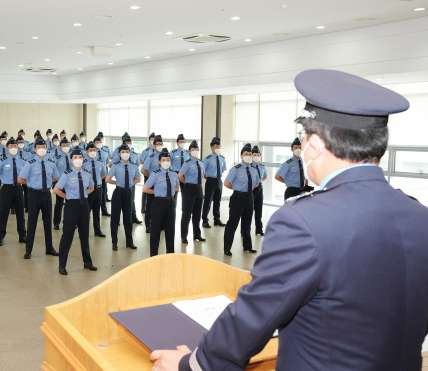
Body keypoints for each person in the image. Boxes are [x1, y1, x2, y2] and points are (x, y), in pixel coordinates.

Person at [153, 69, 428, 371]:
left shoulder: (302, 221)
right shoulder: (419, 216)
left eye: (304, 135)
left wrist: (192, 364)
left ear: (316, 145)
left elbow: (253, 316)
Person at [54, 148, 97, 275]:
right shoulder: (67, 174)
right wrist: (68, 197)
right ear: (71, 159)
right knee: (67, 235)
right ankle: (62, 265)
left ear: (83, 159)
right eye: (75, 158)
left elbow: (92, 187)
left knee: (84, 235)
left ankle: (87, 262)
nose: (78, 159)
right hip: (71, 206)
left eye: (80, 157)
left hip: (84, 205)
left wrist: (83, 195)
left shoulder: (87, 173)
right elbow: (56, 190)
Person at [18, 137, 60, 259]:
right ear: (35, 149)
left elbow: (55, 177)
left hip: (47, 194)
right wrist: (33, 183)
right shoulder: (29, 163)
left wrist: (45, 182)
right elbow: (20, 179)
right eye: (39, 147)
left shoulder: (51, 163)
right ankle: (28, 250)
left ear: (46, 149)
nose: (41, 149)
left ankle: (49, 248)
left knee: (48, 222)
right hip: (34, 194)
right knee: (32, 222)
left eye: (43, 147)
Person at [221, 143, 261, 256]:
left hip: (250, 197)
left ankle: (247, 246)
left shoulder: (254, 169)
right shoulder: (236, 169)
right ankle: (227, 248)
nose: (248, 156)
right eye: (246, 154)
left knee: (247, 223)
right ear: (241, 155)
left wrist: (248, 190)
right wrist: (238, 188)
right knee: (233, 223)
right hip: (238, 197)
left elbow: (257, 183)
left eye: (249, 154)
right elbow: (227, 183)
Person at [143, 148, 180, 257]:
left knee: (170, 230)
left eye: (168, 159)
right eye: (163, 160)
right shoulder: (155, 174)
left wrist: (170, 192)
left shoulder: (174, 174)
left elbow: (177, 186)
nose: (166, 162)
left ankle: (170, 256)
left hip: (171, 203)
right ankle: (153, 256)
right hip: (158, 203)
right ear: (159, 161)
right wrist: (157, 192)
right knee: (155, 231)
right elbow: (145, 189)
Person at [0, 137, 27, 246]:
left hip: (18, 188)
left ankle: (22, 235)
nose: (13, 148)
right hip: (6, 188)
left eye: (15, 146)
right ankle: (1, 236)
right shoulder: (2, 161)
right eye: (11, 146)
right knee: (4, 213)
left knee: (20, 213)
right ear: (7, 148)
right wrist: (3, 178)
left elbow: (25, 175)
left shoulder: (22, 161)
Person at [106, 144, 141, 251]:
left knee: (128, 218)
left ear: (130, 153)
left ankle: (129, 242)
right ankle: (114, 243)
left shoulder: (133, 165)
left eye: (127, 152)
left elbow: (139, 179)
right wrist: (118, 183)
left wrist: (131, 183)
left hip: (128, 192)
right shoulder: (115, 165)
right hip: (118, 192)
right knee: (115, 218)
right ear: (119, 154)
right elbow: (107, 179)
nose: (125, 154)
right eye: (123, 152)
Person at [109, 134, 143, 224]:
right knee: (119, 204)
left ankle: (133, 217)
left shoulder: (134, 155)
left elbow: (137, 166)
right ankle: (119, 219)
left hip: (131, 182)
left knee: (132, 199)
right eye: (126, 142)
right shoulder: (119, 154)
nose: (128, 143)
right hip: (121, 184)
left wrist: (133, 179)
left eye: (129, 142)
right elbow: (111, 164)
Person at [178, 141, 206, 244]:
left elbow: (203, 175)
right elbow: (180, 176)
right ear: (189, 151)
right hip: (189, 189)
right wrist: (188, 183)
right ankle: (184, 236)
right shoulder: (187, 163)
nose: (195, 151)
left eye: (197, 150)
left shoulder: (201, 162)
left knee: (197, 213)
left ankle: (197, 234)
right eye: (193, 150)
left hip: (199, 189)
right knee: (186, 213)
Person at [82, 143, 107, 237]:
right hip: (88, 190)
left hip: (98, 189)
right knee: (86, 211)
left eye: (94, 150)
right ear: (86, 151)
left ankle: (97, 230)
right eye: (91, 150)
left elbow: (103, 174)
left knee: (97, 211)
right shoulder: (83, 163)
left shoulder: (100, 162)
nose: (93, 152)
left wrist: (97, 182)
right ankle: (84, 231)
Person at [202, 137, 227, 228]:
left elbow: (223, 169)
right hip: (210, 182)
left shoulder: (222, 158)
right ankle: (205, 220)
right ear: (212, 147)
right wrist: (211, 176)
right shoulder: (207, 159)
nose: (218, 148)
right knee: (208, 202)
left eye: (219, 146)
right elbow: (203, 172)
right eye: (216, 146)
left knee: (217, 201)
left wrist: (217, 175)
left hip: (219, 181)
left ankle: (217, 219)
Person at [142, 135, 165, 233]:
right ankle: (148, 225)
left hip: (162, 184)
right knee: (150, 205)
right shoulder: (150, 157)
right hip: (153, 184)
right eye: (158, 144)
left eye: (161, 144)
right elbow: (143, 170)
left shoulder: (165, 157)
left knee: (161, 205)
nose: (159, 145)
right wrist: (152, 178)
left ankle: (159, 224)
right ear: (154, 145)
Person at [53, 137, 73, 230]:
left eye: (68, 145)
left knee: (70, 203)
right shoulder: (57, 158)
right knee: (59, 203)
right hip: (61, 184)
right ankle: (56, 222)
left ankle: (69, 221)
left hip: (71, 183)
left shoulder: (73, 157)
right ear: (60, 147)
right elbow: (54, 172)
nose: (66, 147)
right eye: (64, 145)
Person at [251, 146, 268, 235]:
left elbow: (265, 176)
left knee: (259, 210)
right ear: (252, 156)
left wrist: (259, 181)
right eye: (255, 154)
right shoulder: (249, 166)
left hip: (260, 188)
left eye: (258, 154)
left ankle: (259, 229)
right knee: (249, 210)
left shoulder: (261, 166)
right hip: (251, 189)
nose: (257, 156)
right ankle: (245, 231)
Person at [93, 135, 111, 217]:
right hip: (94, 176)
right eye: (97, 142)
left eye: (100, 142)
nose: (99, 143)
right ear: (94, 143)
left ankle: (104, 210)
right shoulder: (92, 152)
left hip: (103, 175)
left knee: (103, 193)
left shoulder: (105, 151)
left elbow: (107, 163)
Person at [170, 134, 190, 206]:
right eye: (181, 142)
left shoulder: (188, 153)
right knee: (174, 194)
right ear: (177, 143)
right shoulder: (172, 153)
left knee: (185, 194)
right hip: (175, 174)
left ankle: (185, 209)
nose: (182, 143)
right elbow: (169, 164)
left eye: (184, 142)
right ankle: (172, 209)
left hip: (185, 175)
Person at [140, 132, 156, 214]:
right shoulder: (146, 151)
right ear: (149, 140)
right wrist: (146, 164)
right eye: (152, 139)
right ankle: (143, 207)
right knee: (146, 190)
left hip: (156, 176)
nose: (153, 141)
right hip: (148, 174)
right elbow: (141, 160)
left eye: (154, 139)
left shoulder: (158, 151)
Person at [16, 135, 31, 213]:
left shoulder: (27, 153)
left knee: (26, 191)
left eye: (22, 142)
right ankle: (13, 208)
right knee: (15, 191)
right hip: (17, 174)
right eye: (19, 142)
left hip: (25, 174)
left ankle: (27, 206)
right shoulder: (14, 152)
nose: (21, 144)